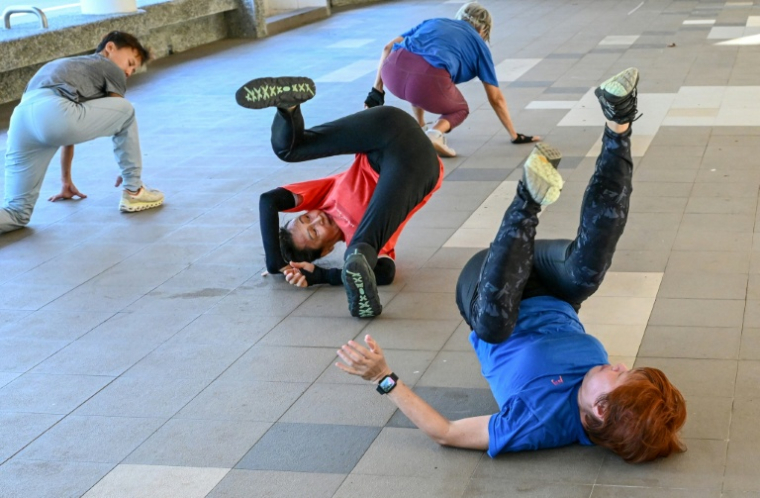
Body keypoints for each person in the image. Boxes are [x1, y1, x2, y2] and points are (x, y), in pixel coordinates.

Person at [337, 68, 688, 463]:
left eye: (621, 374)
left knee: (494, 325)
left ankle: (527, 200)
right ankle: (618, 123)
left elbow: (447, 432)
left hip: (488, 285)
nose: (620, 364)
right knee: (587, 272)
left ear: (601, 410)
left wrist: (382, 376)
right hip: (550, 284)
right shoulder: (612, 401)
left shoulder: (538, 423)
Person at [235, 76, 444, 318]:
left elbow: (268, 201)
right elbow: (386, 272)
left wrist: (275, 263)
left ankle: (288, 107)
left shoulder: (322, 198)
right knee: (358, 252)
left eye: (305, 219)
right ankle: (359, 284)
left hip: (386, 125)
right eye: (314, 233)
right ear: (325, 251)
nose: (316, 221)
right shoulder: (361, 235)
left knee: (288, 149)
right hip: (416, 165)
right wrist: (323, 276)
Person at [0, 31, 165, 234]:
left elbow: (67, 131)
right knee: (127, 110)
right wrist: (128, 169)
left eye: (134, 69)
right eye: (130, 62)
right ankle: (134, 190)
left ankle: (132, 186)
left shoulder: (69, 67)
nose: (130, 72)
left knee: (16, 213)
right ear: (110, 48)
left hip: (21, 119)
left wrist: (65, 181)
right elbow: (118, 113)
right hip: (54, 112)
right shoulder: (108, 66)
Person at [365, 2, 538, 158]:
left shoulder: (434, 22)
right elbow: (496, 99)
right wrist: (514, 135)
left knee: (417, 77)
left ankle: (421, 127)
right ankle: (434, 134)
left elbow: (387, 47)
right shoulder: (479, 45)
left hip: (392, 72)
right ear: (483, 30)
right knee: (460, 109)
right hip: (426, 81)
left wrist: (376, 92)